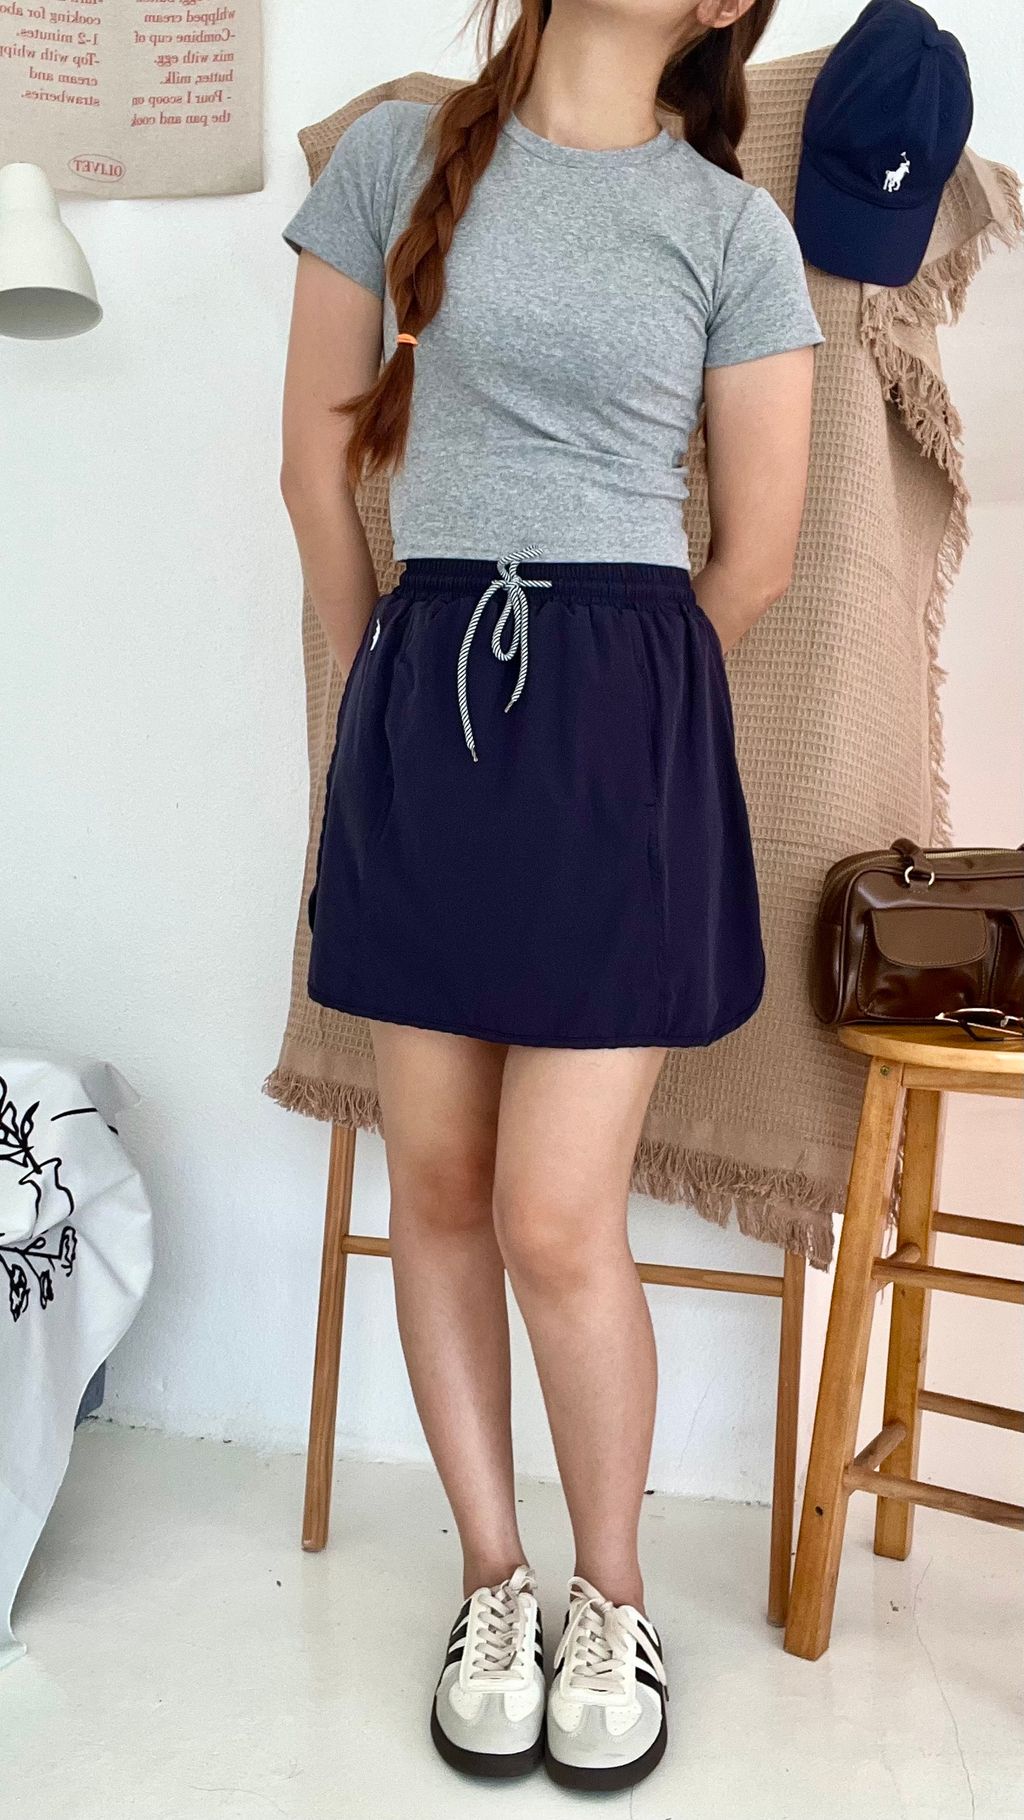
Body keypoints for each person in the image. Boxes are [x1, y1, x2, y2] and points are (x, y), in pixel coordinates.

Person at [279, 0, 821, 1793]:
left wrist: (616, 709)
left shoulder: (732, 229)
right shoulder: (395, 153)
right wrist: (369, 704)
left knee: (555, 1216)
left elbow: (757, 555)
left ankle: (615, 1596)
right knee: (437, 1187)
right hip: (424, 700)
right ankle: (493, 1586)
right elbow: (314, 472)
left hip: (618, 721)